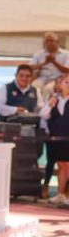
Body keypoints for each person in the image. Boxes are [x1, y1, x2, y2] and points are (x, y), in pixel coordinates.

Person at [40, 76, 69, 205]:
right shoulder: (54, 99)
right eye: (66, 82)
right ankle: (60, 194)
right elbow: (43, 115)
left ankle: (67, 194)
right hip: (57, 139)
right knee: (62, 165)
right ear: (59, 85)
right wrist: (50, 104)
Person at [30, 32, 69, 100]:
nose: (49, 43)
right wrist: (44, 63)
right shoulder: (39, 54)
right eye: (47, 41)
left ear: (57, 42)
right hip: (42, 78)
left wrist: (54, 62)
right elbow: (30, 67)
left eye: (51, 41)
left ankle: (45, 107)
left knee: (47, 90)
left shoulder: (66, 54)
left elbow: (67, 70)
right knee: (34, 88)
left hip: (57, 80)